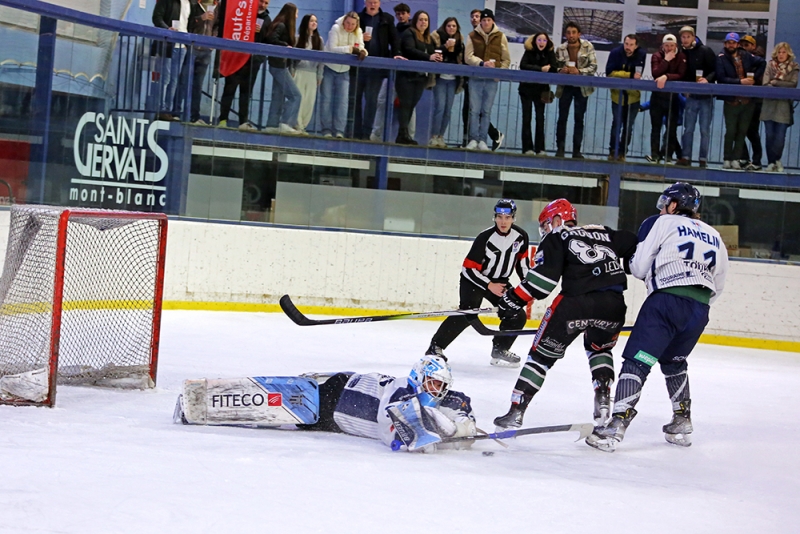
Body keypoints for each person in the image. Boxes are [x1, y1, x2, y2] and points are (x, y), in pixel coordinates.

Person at [586, 183, 728, 452]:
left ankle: (616, 425)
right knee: (675, 362)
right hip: (699, 309)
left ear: (674, 205)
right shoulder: (714, 235)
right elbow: (719, 284)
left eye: (666, 203)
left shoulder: (664, 223)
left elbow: (639, 267)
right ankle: (682, 420)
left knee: (638, 361)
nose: (663, 208)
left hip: (666, 301)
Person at [493, 199, 638, 430]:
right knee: (600, 349)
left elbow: (542, 283)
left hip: (575, 305)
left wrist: (512, 300)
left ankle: (516, 411)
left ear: (558, 220)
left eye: (546, 225)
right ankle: (602, 399)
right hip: (613, 305)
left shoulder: (557, 236)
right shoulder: (603, 231)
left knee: (540, 357)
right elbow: (635, 242)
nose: (545, 231)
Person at [426, 199, 529, 367]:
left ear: (513, 218)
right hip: (474, 281)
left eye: (507, 217)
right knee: (467, 314)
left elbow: (523, 265)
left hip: (500, 283)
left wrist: (529, 287)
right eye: (499, 217)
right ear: (494, 217)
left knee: (516, 314)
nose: (503, 221)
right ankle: (436, 346)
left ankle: (500, 349)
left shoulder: (521, 236)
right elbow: (468, 269)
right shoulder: (485, 237)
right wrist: (489, 285)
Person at [298, 356, 477, 452]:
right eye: (432, 382)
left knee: (306, 418)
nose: (437, 390)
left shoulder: (451, 399)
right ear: (418, 377)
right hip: (338, 396)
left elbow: (468, 428)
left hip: (336, 419)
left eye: (441, 385)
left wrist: (457, 430)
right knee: (296, 408)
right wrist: (438, 428)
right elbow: (392, 432)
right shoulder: (402, 389)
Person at [216, 0, 270, 129]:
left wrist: (259, 32)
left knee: (246, 93)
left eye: (266, 3)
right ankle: (223, 119)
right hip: (236, 58)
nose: (263, 5)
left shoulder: (267, 20)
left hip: (252, 62)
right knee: (229, 89)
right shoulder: (243, 14)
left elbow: (267, 40)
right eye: (261, 1)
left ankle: (243, 122)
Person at [716, 32, 765, 170]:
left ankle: (737, 158)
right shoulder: (721, 58)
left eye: (733, 42)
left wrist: (754, 77)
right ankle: (727, 158)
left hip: (747, 100)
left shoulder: (746, 55)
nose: (731, 45)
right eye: (728, 42)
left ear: (737, 44)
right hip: (731, 100)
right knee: (730, 131)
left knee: (742, 131)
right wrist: (740, 82)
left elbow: (762, 62)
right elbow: (721, 78)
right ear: (725, 44)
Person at [464, 9, 510, 151]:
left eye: (488, 20)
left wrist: (499, 72)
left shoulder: (501, 36)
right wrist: (481, 63)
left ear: (493, 21)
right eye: (483, 20)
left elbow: (506, 59)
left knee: (486, 111)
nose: (486, 22)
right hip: (476, 78)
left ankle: (483, 139)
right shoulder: (472, 35)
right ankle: (473, 138)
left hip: (491, 80)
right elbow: (468, 56)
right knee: (474, 110)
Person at [353, 0, 400, 139]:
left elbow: (394, 39)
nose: (372, 5)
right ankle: (355, 132)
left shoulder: (387, 19)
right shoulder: (358, 18)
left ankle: (367, 133)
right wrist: (360, 38)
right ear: (365, 2)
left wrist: (397, 53)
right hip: (358, 64)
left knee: (371, 100)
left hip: (376, 67)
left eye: (375, 2)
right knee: (355, 100)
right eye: (370, 2)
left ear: (379, 3)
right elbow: (349, 37)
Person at [151, 0, 203, 121]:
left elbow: (189, 24)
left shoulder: (190, 4)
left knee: (174, 80)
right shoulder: (168, 2)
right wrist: (167, 29)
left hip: (182, 46)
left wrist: (187, 42)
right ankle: (160, 109)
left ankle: (167, 111)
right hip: (167, 43)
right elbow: (156, 18)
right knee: (165, 78)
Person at [395, 11, 439, 145]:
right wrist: (429, 57)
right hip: (407, 76)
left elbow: (431, 53)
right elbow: (410, 50)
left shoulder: (428, 38)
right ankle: (403, 134)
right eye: (421, 19)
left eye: (426, 20)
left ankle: (403, 134)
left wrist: (437, 55)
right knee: (405, 105)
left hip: (421, 77)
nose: (423, 22)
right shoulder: (410, 32)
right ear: (415, 21)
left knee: (411, 105)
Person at [554, 22, 597, 159]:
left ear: (579, 34)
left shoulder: (588, 46)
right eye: (568, 32)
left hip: (582, 88)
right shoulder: (560, 48)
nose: (571, 35)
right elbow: (554, 67)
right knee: (562, 118)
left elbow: (593, 67)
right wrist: (561, 70)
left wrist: (579, 71)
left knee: (579, 119)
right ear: (565, 34)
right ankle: (560, 149)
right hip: (565, 86)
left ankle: (576, 151)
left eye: (574, 32)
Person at [676, 26, 717, 168]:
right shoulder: (682, 53)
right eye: (683, 37)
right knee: (688, 128)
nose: (685, 39)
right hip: (691, 97)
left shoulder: (705, 50)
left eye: (688, 36)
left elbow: (714, 69)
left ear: (693, 37)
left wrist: (707, 79)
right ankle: (685, 156)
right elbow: (682, 73)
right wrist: (684, 89)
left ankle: (703, 158)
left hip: (706, 97)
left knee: (704, 130)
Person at [320, 12, 366, 138]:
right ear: (343, 21)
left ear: (356, 25)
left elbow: (361, 46)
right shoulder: (335, 29)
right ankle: (326, 130)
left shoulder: (359, 32)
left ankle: (339, 130)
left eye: (353, 24)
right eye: (347, 23)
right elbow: (333, 48)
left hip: (345, 70)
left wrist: (363, 51)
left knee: (343, 102)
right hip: (329, 68)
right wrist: (350, 49)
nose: (350, 26)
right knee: (326, 100)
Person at [173, 0, 216, 125]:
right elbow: (188, 24)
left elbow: (218, 25)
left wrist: (214, 37)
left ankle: (195, 116)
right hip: (192, 48)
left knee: (198, 85)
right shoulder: (193, 6)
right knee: (183, 81)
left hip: (206, 51)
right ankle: (176, 112)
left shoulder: (216, 8)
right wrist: (201, 18)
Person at [605, 34, 646, 161]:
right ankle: (613, 150)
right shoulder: (615, 53)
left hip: (633, 97)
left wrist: (623, 74)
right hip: (617, 95)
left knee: (628, 126)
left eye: (631, 45)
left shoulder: (641, 55)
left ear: (636, 46)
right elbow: (609, 73)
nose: (628, 47)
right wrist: (629, 74)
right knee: (616, 124)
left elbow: (638, 75)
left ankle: (623, 152)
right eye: (626, 44)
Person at [646, 34, 686, 164]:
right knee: (655, 127)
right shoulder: (656, 56)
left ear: (676, 46)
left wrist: (666, 77)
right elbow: (655, 73)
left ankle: (668, 155)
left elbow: (680, 75)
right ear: (663, 46)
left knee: (671, 128)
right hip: (657, 98)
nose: (669, 48)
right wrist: (666, 60)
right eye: (667, 46)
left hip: (672, 98)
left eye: (672, 46)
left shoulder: (681, 57)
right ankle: (655, 154)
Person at [264, 3, 302, 134]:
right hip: (278, 65)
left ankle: (272, 124)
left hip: (279, 65)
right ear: (291, 13)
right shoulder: (281, 26)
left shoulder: (282, 25)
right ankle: (287, 123)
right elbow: (271, 39)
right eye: (296, 13)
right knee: (296, 95)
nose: (297, 16)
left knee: (278, 97)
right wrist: (286, 45)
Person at [760, 42, 799, 173]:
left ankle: (777, 159)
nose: (781, 55)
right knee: (769, 135)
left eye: (784, 52)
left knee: (780, 137)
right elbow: (765, 84)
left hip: (783, 107)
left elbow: (792, 84)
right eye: (779, 52)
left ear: (788, 54)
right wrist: (777, 85)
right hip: (769, 105)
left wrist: (776, 82)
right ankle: (771, 162)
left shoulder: (794, 67)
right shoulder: (770, 65)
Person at [518, 32, 557, 156]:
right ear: (535, 41)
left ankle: (540, 149)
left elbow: (554, 68)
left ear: (547, 42)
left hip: (541, 91)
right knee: (527, 118)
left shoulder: (550, 53)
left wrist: (548, 69)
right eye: (539, 40)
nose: (541, 43)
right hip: (526, 90)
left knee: (540, 119)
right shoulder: (529, 51)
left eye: (544, 40)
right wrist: (540, 69)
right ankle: (527, 148)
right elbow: (523, 65)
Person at [429, 17, 464, 148]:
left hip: (453, 79)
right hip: (440, 78)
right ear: (445, 27)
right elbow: (433, 53)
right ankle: (433, 136)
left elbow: (461, 58)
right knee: (440, 107)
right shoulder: (437, 37)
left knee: (448, 110)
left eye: (454, 26)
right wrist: (445, 46)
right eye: (449, 26)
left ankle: (441, 137)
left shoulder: (460, 41)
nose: (451, 28)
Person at [293, 14, 324, 134]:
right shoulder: (297, 38)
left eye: (316, 21)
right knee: (299, 99)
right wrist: (293, 71)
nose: (314, 23)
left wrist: (319, 75)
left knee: (309, 101)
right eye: (311, 21)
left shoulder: (319, 40)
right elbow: (292, 58)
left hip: (312, 73)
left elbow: (322, 60)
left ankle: (303, 126)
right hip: (299, 71)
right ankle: (297, 125)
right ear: (306, 22)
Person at [740, 35, 765, 171]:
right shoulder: (740, 60)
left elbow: (759, 79)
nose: (745, 48)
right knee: (738, 129)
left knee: (752, 131)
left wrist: (753, 79)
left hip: (755, 100)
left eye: (747, 45)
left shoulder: (758, 61)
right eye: (742, 45)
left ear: (753, 46)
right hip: (742, 99)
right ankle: (744, 157)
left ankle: (757, 160)